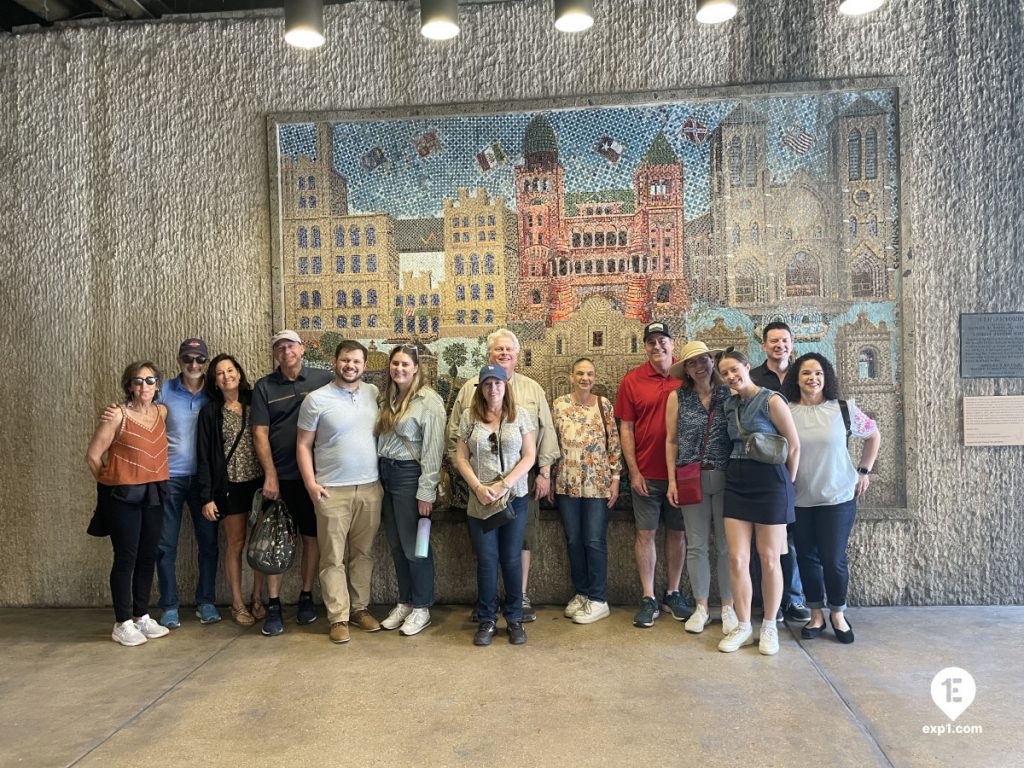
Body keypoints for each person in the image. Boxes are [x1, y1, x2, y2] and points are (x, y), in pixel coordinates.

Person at [446, 328, 558, 622]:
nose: (504, 354)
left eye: (509, 350)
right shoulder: (470, 392)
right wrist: (469, 479)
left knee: (519, 546)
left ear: (517, 356)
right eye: (499, 350)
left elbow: (544, 435)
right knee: (486, 555)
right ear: (489, 355)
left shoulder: (532, 390)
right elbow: (456, 439)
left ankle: (518, 602)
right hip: (478, 489)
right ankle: (487, 609)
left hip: (520, 486)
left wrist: (544, 473)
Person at [782, 353, 880, 645]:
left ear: (826, 378)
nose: (813, 378)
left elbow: (874, 434)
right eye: (806, 373)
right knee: (808, 559)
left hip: (837, 497)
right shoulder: (785, 411)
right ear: (796, 378)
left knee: (833, 558)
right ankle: (816, 614)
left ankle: (837, 613)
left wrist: (864, 471)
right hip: (800, 499)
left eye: (819, 373)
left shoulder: (843, 409)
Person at [716, 348, 801, 656]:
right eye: (724, 373)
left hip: (771, 482)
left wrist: (786, 486)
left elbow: (794, 446)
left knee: (769, 558)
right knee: (737, 558)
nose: (730, 376)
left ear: (746, 366)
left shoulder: (771, 400)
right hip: (737, 479)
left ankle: (768, 625)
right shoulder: (728, 405)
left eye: (734, 369)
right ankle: (743, 625)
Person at [296, 340, 382, 644]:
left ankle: (360, 609)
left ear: (364, 366)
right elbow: (303, 445)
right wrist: (310, 483)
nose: (351, 366)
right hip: (332, 491)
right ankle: (338, 617)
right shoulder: (316, 400)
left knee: (363, 554)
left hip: (370, 488)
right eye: (346, 360)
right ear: (336, 362)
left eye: (357, 361)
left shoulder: (372, 394)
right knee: (332, 558)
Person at [251, 330, 333, 636]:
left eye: (291, 345)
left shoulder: (322, 379)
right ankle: (274, 604)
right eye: (280, 347)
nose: (286, 351)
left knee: (312, 538)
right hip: (281, 477)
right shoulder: (264, 387)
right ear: (275, 354)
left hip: (315, 477)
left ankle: (306, 597)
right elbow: (260, 433)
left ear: (302, 348)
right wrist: (270, 474)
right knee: (276, 540)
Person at [86, 362, 171, 647]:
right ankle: (122, 622)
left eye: (150, 380)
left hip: (155, 492)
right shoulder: (117, 415)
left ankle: (141, 616)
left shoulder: (162, 412)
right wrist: (112, 481)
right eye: (138, 381)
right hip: (123, 497)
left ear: (158, 384)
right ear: (129, 385)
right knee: (127, 558)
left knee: (148, 555)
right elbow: (93, 456)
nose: (144, 386)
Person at [614, 321, 691, 628]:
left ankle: (673, 592)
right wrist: (633, 471)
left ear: (673, 344)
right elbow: (627, 428)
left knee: (678, 533)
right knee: (645, 534)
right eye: (651, 342)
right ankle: (648, 597)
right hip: (646, 474)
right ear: (644, 346)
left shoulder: (686, 377)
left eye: (663, 341)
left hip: (683, 474)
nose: (657, 347)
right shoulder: (632, 381)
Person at [455, 364, 537, 646]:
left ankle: (514, 618)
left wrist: (504, 485)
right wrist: (478, 487)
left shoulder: (520, 415)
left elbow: (529, 456)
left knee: (511, 558)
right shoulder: (469, 416)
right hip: (481, 501)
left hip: (513, 498)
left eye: (498, 383)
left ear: (506, 386)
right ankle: (487, 618)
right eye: (487, 384)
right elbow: (461, 457)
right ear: (480, 388)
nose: (493, 389)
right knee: (487, 561)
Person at [665, 341, 737, 635]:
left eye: (703, 360)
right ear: (686, 369)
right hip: (690, 476)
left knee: (726, 545)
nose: (699, 367)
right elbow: (671, 440)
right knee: (696, 546)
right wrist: (671, 479)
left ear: (712, 361)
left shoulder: (729, 393)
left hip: (725, 476)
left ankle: (729, 606)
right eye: (692, 363)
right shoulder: (677, 397)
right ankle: (702, 606)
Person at [375, 344, 446, 637]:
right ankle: (404, 601)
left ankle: (421, 606)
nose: (399, 369)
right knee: (396, 545)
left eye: (405, 365)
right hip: (386, 475)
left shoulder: (428, 401)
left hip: (410, 477)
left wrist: (426, 491)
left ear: (416, 368)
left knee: (416, 546)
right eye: (395, 364)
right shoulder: (388, 397)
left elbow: (433, 449)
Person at [550, 357, 621, 624]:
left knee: (594, 540)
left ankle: (598, 598)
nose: (585, 378)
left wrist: (615, 478)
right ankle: (581, 593)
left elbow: (613, 443)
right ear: (571, 376)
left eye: (589, 373)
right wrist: (549, 474)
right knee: (573, 540)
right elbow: (551, 443)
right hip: (567, 482)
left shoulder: (603, 405)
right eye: (580, 373)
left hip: (597, 483)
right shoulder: (559, 406)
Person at [196, 354, 264, 627]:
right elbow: (203, 456)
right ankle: (237, 603)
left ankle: (258, 597)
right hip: (229, 487)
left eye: (231, 369)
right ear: (214, 380)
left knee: (260, 545)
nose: (227, 376)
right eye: (220, 373)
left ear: (239, 371)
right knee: (235, 545)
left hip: (259, 484)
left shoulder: (253, 401)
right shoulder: (210, 411)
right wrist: (207, 496)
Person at [749, 322, 810, 623]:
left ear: (792, 343)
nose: (780, 346)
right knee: (766, 541)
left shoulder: (804, 375)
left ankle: (794, 599)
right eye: (773, 341)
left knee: (795, 539)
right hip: (767, 467)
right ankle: (767, 601)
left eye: (784, 340)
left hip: (801, 465)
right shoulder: (754, 378)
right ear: (763, 345)